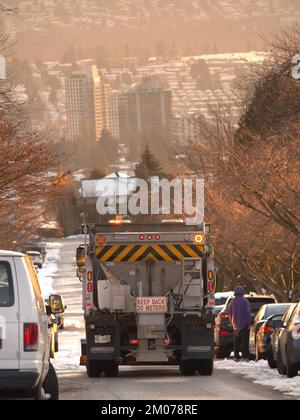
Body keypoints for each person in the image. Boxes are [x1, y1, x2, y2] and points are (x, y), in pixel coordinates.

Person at [228, 286, 252, 362]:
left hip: (235, 325)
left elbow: (230, 313)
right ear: (242, 292)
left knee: (236, 342)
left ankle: (236, 356)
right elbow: (247, 313)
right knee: (244, 342)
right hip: (244, 324)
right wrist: (249, 324)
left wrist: (232, 323)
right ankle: (245, 356)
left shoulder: (232, 302)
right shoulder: (245, 301)